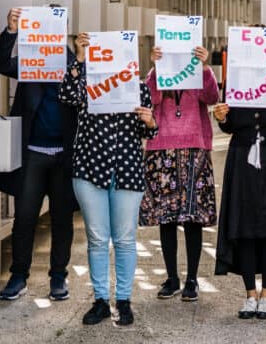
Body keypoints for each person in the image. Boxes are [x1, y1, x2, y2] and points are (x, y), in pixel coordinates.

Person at [59, 32, 158, 326]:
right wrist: (79, 58)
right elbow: (66, 95)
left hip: (127, 171)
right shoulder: (87, 83)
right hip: (90, 169)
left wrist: (150, 121)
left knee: (125, 238)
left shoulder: (139, 88)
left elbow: (149, 132)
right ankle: (101, 300)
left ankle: (123, 300)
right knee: (97, 238)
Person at [0, 7, 78, 302]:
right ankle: (19, 276)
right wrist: (11, 31)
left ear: (63, 29)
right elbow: (0, 63)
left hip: (64, 155)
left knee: (62, 219)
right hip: (32, 153)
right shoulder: (31, 60)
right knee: (25, 217)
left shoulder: (74, 62)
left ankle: (58, 277)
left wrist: (81, 61)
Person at [212, 27, 266, 320]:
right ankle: (250, 294)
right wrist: (221, 118)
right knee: (244, 226)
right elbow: (230, 123)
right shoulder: (234, 80)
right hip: (242, 158)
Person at [140, 44, 219, 302]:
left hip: (195, 149)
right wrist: (156, 68)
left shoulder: (197, 72)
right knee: (167, 218)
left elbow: (212, 97)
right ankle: (172, 277)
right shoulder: (157, 73)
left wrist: (204, 67)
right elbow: (149, 100)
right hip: (162, 149)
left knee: (193, 218)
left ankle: (192, 278)